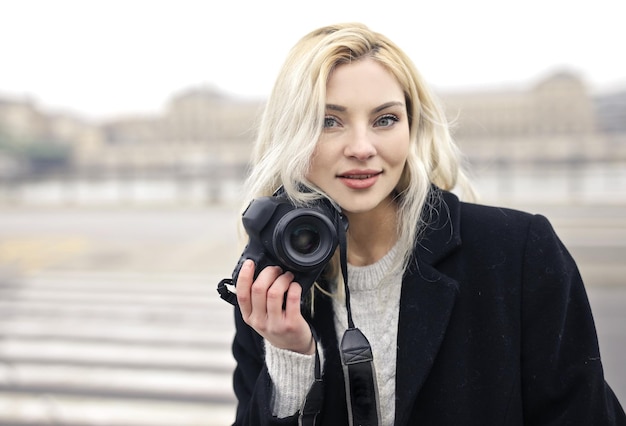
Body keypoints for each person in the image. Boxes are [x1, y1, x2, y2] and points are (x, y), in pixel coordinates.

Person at [224, 22, 626, 425]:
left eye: (385, 120)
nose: (362, 148)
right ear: (289, 136)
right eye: (329, 121)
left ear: (412, 127)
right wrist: (291, 358)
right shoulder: (270, 284)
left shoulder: (517, 253)